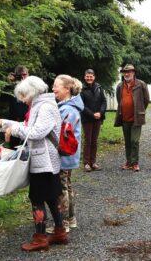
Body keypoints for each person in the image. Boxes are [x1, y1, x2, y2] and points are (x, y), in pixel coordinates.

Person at [0, 76, 67, 251]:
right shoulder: (39, 105)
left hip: (44, 161)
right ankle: (60, 232)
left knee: (38, 198)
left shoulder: (45, 107)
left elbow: (37, 132)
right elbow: (27, 125)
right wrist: (3, 123)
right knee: (52, 196)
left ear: (32, 92)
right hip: (45, 160)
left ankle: (41, 239)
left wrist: (14, 129)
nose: (23, 100)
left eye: (24, 95)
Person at [50, 74, 84, 233]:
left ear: (66, 89)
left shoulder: (67, 109)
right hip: (70, 156)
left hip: (65, 155)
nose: (53, 88)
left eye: (56, 85)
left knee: (61, 187)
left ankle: (63, 223)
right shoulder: (70, 107)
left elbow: (59, 134)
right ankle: (71, 219)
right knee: (67, 185)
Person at [114, 64, 150, 172]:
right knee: (128, 141)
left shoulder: (141, 84)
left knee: (134, 141)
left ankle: (135, 163)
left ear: (133, 72)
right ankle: (128, 162)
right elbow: (119, 99)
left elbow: (146, 100)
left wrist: (140, 110)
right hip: (124, 118)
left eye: (129, 71)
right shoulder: (120, 86)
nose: (126, 73)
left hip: (136, 117)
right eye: (125, 72)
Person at [81, 69, 106, 172]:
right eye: (87, 76)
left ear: (94, 77)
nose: (89, 78)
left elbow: (104, 101)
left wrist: (101, 112)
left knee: (94, 141)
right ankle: (86, 163)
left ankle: (93, 162)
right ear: (84, 77)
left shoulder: (99, 88)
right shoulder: (81, 89)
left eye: (91, 76)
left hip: (98, 118)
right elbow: (82, 105)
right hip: (87, 118)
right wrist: (92, 114)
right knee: (88, 141)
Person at [7, 65, 30, 148]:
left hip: (28, 121)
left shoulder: (33, 86)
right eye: (20, 75)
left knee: (27, 149)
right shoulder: (11, 88)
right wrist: (9, 83)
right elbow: (2, 97)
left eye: (24, 75)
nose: (23, 77)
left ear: (28, 74)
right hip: (15, 121)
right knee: (14, 148)